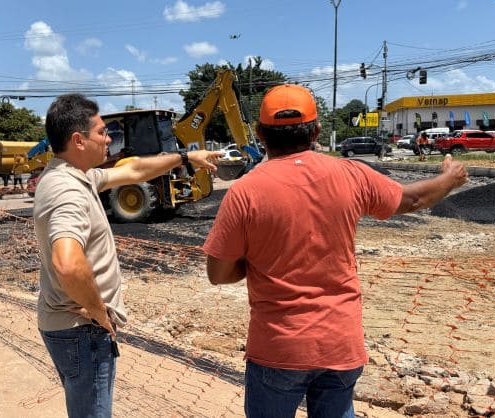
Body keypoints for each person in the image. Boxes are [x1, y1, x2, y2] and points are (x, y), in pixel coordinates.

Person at [202, 84, 468, 418]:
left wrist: (256, 264)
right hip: (340, 343)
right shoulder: (350, 174)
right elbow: (413, 199)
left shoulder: (244, 192)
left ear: (259, 133)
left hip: (279, 348)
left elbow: (218, 273)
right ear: (316, 130)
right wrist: (449, 178)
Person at [33, 93, 220, 418]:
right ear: (78, 140)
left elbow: (134, 170)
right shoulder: (67, 190)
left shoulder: (79, 176)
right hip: (83, 329)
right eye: (103, 132)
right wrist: (98, 311)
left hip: (73, 327)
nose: (109, 139)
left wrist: (185, 158)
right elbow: (67, 262)